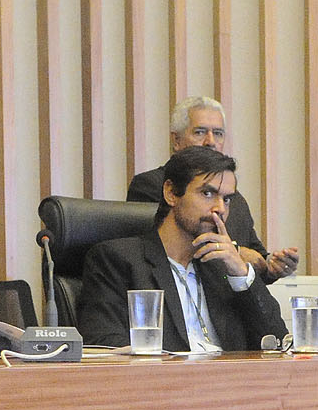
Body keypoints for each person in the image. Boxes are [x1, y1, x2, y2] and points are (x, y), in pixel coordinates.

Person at [80, 145, 285, 352]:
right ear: (171, 193)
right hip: (166, 372)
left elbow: (278, 343)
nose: (220, 209)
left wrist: (241, 275)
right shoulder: (118, 261)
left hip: (229, 372)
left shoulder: (222, 269)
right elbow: (104, 344)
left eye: (226, 199)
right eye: (207, 193)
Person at [127, 96, 298, 282]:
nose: (210, 141)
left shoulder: (233, 196)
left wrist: (270, 266)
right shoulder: (152, 184)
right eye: (200, 132)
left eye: (218, 133)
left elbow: (254, 254)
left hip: (228, 295)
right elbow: (164, 245)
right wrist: (236, 251)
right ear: (176, 140)